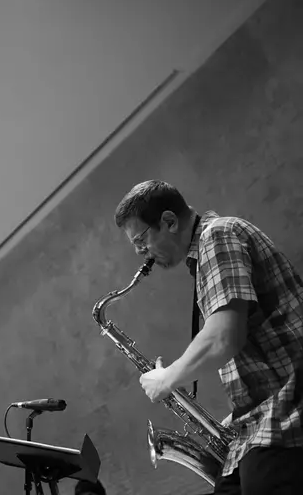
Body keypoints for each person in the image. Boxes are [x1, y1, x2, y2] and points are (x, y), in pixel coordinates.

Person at [113, 180, 303, 494]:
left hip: (287, 415)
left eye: (141, 240)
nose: (139, 252)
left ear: (169, 222)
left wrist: (168, 378)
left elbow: (223, 337)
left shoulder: (218, 236)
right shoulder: (206, 253)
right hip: (262, 420)